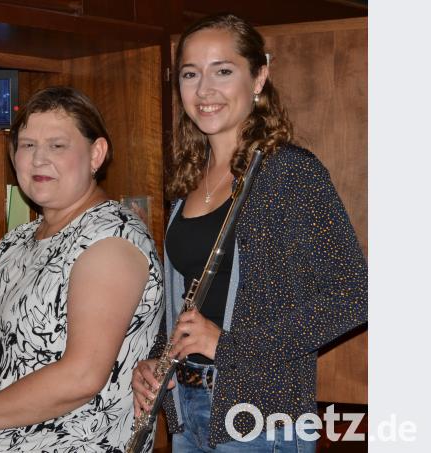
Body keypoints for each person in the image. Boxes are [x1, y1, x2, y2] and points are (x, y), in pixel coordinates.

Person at [130, 13, 367, 452]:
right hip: (189, 408)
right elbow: (198, 302)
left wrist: (229, 345)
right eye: (190, 74)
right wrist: (156, 359)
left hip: (260, 419)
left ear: (259, 77)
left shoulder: (288, 173)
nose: (204, 90)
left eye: (223, 71)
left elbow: (354, 294)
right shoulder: (187, 180)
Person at [0, 86, 165, 452]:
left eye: (57, 146)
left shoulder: (112, 240)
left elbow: (81, 377)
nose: (38, 159)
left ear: (97, 154)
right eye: (27, 145)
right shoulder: (12, 244)